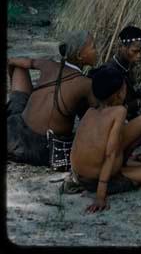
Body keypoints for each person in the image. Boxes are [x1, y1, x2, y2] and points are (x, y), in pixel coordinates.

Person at [70, 66, 141, 213]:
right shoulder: (119, 111)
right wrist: (101, 195)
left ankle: (127, 164)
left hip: (81, 175)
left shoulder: (90, 112)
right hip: (99, 180)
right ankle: (121, 176)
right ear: (119, 94)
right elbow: (110, 153)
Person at [7, 31, 98, 168]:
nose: (96, 51)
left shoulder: (48, 64)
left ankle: (16, 108)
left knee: (20, 67)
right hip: (38, 150)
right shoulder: (85, 83)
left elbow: (12, 61)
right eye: (93, 47)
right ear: (79, 56)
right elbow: (97, 117)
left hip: (12, 134)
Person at [95, 25, 141, 122]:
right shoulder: (110, 72)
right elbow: (110, 109)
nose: (139, 56)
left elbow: (129, 94)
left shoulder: (127, 66)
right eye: (135, 51)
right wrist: (140, 103)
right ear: (121, 47)